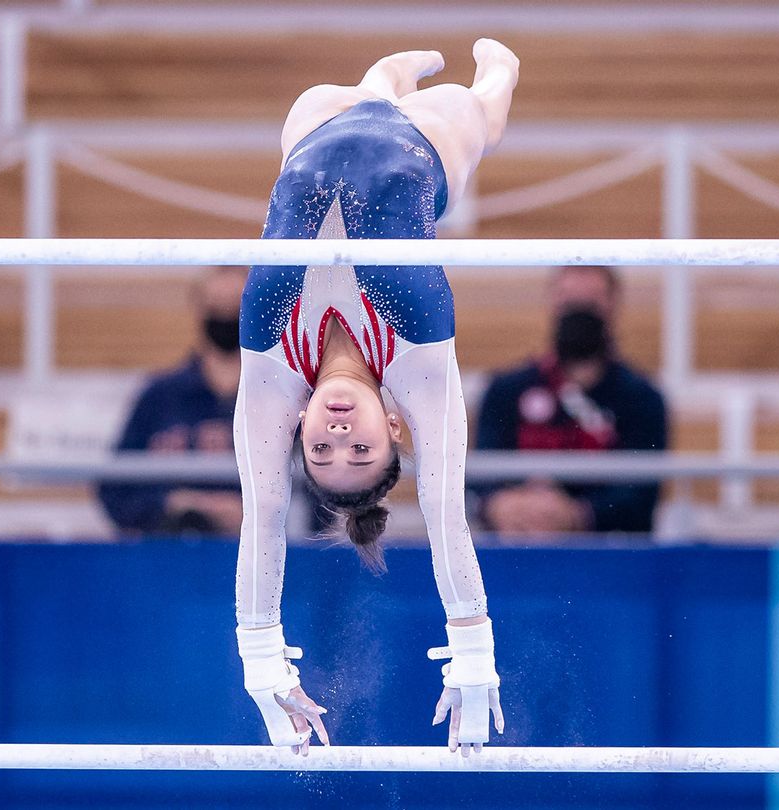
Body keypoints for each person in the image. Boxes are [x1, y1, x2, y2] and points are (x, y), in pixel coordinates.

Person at [233, 41, 518, 756]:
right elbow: (444, 505)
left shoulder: (271, 365)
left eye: (321, 449)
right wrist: (474, 655)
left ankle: (382, 80)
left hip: (311, 128)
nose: (336, 433)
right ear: (396, 424)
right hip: (429, 148)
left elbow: (265, 513)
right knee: (470, 106)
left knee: (342, 100)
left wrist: (261, 660)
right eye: (361, 448)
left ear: (295, 427)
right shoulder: (417, 361)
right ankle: (499, 76)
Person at [475, 265, 667, 535]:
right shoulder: (506, 390)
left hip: (606, 555)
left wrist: (579, 515)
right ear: (552, 302)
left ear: (613, 305)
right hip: (515, 545)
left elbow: (642, 495)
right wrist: (499, 506)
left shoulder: (642, 399)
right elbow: (477, 476)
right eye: (568, 301)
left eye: (590, 302)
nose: (578, 312)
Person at [97, 266, 246, 536]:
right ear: (199, 308)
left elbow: (314, 492)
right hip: (168, 554)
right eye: (216, 306)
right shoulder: (159, 396)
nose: (225, 316)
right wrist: (169, 504)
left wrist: (256, 512)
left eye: (235, 307)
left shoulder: (279, 397)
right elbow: (114, 488)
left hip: (258, 553)